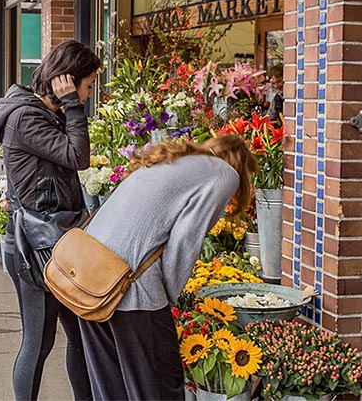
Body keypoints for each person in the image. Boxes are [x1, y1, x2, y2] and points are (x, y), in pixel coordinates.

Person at [76, 134, 257, 400]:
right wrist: (167, 300)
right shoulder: (223, 173)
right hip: (131, 288)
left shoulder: (171, 161)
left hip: (87, 277)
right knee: (160, 387)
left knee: (111, 388)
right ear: (240, 165)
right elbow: (186, 239)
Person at [0, 40, 102, 401]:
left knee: (81, 336)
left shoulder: (42, 112)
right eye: (86, 86)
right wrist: (72, 104)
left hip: (58, 242)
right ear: (66, 81)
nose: (87, 95)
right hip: (34, 248)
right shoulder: (27, 116)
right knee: (39, 342)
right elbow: (77, 156)